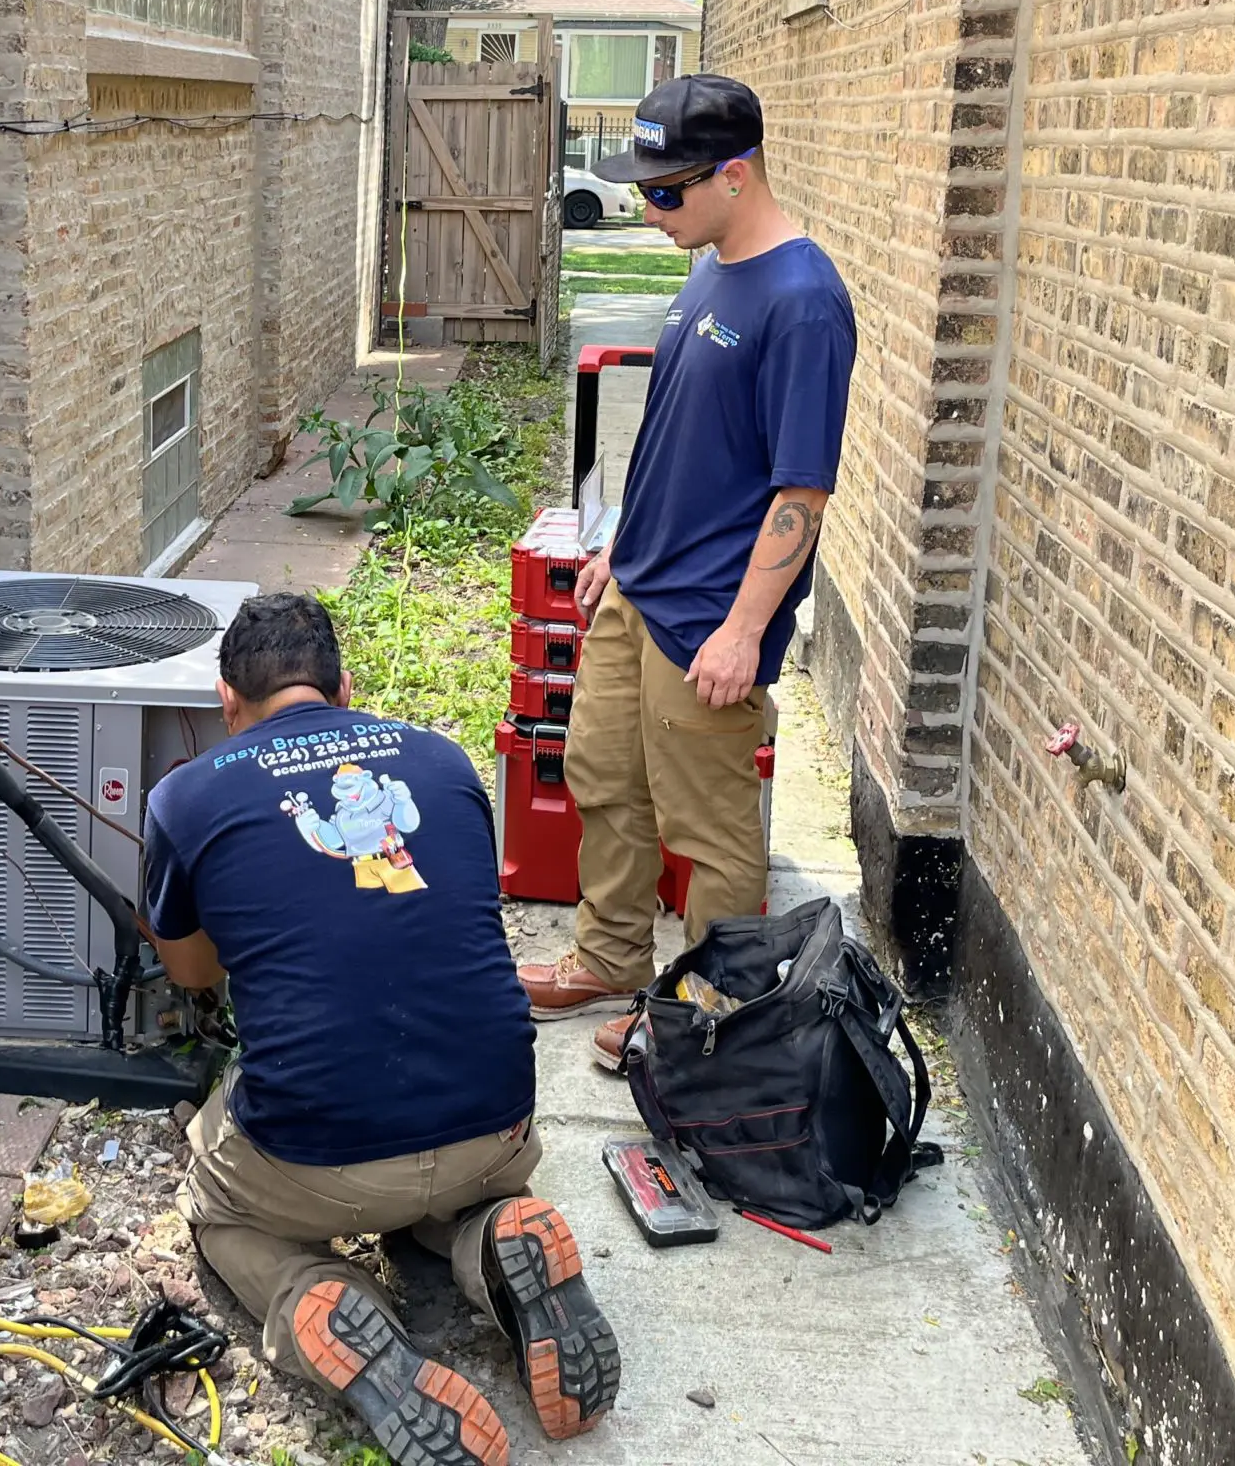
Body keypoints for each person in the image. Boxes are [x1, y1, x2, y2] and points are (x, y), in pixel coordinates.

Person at [143, 592, 620, 1466]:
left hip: (317, 1158)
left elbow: (192, 973)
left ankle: (315, 1292)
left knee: (217, 1209)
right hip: (494, 1124)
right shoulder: (443, 761)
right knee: (442, 1195)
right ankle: (495, 1242)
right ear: (345, 686)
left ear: (226, 701)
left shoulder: (186, 798)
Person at [520, 74, 856, 1073]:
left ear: (737, 173)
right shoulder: (711, 265)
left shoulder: (803, 305)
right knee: (605, 784)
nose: (649, 207)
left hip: (709, 615)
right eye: (646, 187)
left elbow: (801, 492)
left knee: (707, 832)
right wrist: (618, 547)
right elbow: (679, 432)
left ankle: (702, 1018)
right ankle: (608, 959)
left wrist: (746, 629)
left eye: (668, 191)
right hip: (639, 585)